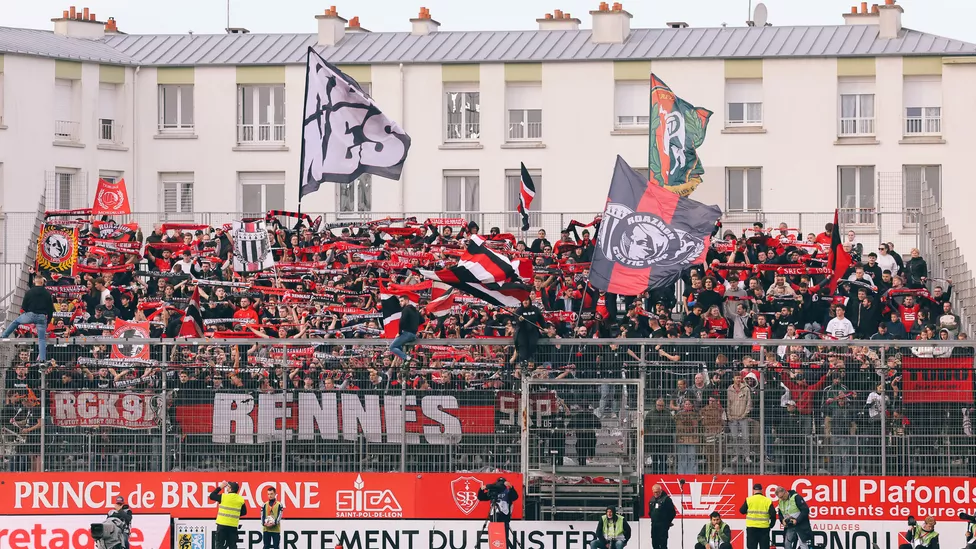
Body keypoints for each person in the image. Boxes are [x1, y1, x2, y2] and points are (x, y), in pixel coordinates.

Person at [1, 275, 54, 363]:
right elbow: (50, 309)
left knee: (16, 321)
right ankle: (42, 359)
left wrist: (24, 314)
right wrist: (47, 321)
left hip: (30, 315)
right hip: (41, 317)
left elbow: (24, 306)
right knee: (41, 339)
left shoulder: (29, 292)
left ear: (34, 281)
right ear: (42, 282)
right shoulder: (47, 293)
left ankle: (4, 335)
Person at [477, 477, 519, 549]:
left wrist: (511, 487)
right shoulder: (493, 492)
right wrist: (481, 489)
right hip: (494, 515)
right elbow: (481, 497)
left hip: (504, 516)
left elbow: (515, 497)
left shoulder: (508, 491)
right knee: (494, 536)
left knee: (504, 537)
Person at [209, 480, 247, 549]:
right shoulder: (240, 499)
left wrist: (220, 487)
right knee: (232, 546)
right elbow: (244, 512)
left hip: (222, 526)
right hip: (232, 526)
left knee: (219, 545)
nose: (226, 488)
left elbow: (211, 496)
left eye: (228, 487)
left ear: (231, 489)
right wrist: (234, 514)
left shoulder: (224, 497)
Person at [775, 485, 815, 549]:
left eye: (782, 497)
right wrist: (782, 521)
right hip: (789, 525)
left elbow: (805, 510)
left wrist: (797, 520)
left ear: (785, 492)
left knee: (803, 544)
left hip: (800, 524)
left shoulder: (796, 497)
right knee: (787, 543)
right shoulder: (781, 501)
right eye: (780, 497)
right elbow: (780, 513)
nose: (781, 499)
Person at [739, 483, 775, 549]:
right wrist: (771, 525)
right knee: (764, 547)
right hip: (764, 528)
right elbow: (773, 515)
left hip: (751, 528)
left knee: (751, 547)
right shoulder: (768, 501)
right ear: (762, 490)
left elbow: (741, 511)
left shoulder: (749, 500)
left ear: (753, 491)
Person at [513, 297, 544, 366]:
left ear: (529, 301)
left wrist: (544, 327)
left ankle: (531, 360)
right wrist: (519, 320)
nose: (525, 302)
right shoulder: (519, 310)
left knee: (532, 345)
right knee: (522, 347)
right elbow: (517, 321)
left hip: (533, 331)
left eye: (526, 300)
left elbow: (541, 320)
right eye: (523, 300)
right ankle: (523, 362)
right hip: (522, 333)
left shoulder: (535, 309)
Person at [389, 295, 420, 365]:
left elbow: (401, 322)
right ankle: (406, 357)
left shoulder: (406, 309)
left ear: (407, 301)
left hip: (407, 334)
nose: (400, 303)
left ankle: (407, 358)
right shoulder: (415, 311)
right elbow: (422, 320)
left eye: (402, 301)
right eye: (399, 301)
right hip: (413, 335)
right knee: (399, 346)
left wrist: (399, 332)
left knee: (392, 347)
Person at [648, 484, 677, 549]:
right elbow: (650, 511)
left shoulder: (666, 499)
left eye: (658, 492)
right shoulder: (652, 499)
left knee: (663, 543)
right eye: (655, 492)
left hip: (663, 524)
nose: (656, 493)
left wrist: (667, 522)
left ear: (661, 491)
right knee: (654, 543)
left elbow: (672, 512)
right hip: (654, 524)